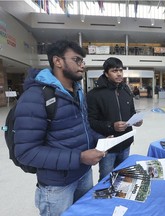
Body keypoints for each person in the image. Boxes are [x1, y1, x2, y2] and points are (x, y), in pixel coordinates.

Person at [13, 40, 106, 216]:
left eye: (83, 61)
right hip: (57, 186)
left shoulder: (77, 91)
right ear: (58, 61)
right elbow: (26, 152)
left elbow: (81, 128)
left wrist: (99, 140)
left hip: (84, 174)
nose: (82, 66)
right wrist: (79, 157)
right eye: (77, 60)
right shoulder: (35, 97)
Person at [87, 57, 143, 181]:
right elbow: (91, 122)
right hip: (108, 148)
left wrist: (136, 120)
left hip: (126, 143)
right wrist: (112, 126)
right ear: (106, 73)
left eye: (121, 70)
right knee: (106, 179)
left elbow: (132, 112)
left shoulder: (126, 90)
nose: (119, 74)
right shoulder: (94, 95)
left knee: (123, 177)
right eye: (114, 71)